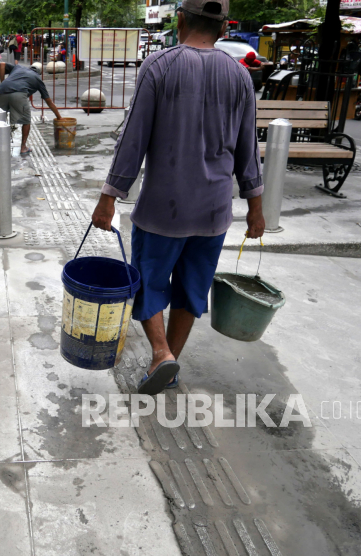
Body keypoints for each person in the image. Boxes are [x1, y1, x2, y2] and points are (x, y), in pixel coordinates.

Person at [90, 0, 264, 395]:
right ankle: (170, 362)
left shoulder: (160, 65)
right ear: (223, 29)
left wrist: (109, 196)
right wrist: (256, 208)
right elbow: (248, 149)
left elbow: (132, 139)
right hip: (215, 213)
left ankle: (161, 354)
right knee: (192, 288)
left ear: (180, 20)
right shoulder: (240, 77)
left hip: (162, 211)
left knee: (148, 283)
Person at [0, 62, 62, 155]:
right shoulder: (38, 79)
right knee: (26, 121)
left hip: (2, 90)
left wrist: (2, 82)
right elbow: (48, 102)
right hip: (19, 94)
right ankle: (23, 147)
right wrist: (59, 117)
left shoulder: (18, 67)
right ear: (39, 73)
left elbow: (1, 65)